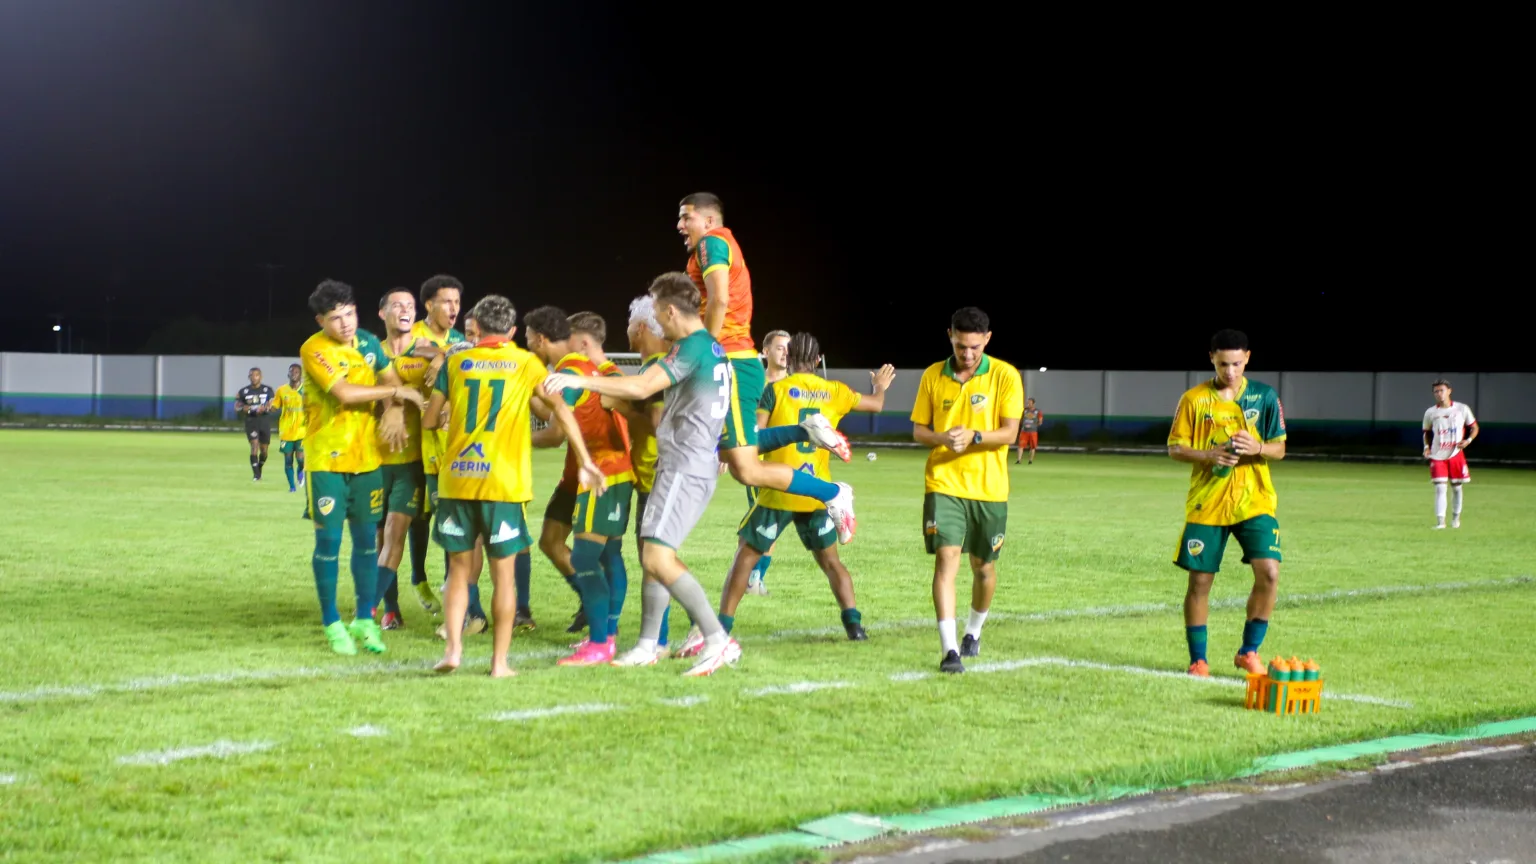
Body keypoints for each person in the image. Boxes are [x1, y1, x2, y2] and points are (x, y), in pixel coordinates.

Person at [423, 295, 604, 677]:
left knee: (458, 571)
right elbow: (557, 411)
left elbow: (429, 420)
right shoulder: (525, 362)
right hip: (502, 483)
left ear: (478, 328)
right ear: (511, 331)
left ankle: (453, 650)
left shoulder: (455, 361)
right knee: (502, 574)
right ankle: (499, 663)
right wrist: (586, 460)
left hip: (457, 479)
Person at [676, 192, 858, 540]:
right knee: (728, 451)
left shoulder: (712, 243)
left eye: (687, 217)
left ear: (709, 221)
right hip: (735, 360)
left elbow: (719, 300)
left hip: (729, 360)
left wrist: (705, 351)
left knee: (744, 468)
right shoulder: (719, 244)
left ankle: (832, 493)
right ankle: (805, 431)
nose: (680, 225)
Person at [713, 332, 895, 642]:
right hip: (817, 493)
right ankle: (854, 625)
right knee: (831, 562)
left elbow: (757, 433)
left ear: (789, 356)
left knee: (746, 556)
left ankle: (722, 627)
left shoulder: (775, 390)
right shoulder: (835, 391)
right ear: (818, 360)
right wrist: (880, 386)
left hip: (778, 488)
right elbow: (876, 405)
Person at [299, 279, 423, 655]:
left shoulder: (369, 342)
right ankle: (332, 622)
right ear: (321, 320)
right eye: (336, 318)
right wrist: (396, 395)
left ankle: (365, 620)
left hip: (369, 460)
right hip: (328, 462)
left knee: (367, 545)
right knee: (329, 543)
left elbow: (391, 378)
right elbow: (346, 394)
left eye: (350, 314)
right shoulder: (314, 349)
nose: (346, 324)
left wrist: (396, 413)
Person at [1167, 328, 1287, 678]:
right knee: (1200, 582)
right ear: (1211, 360)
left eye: (1236, 363)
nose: (1230, 372)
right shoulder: (1193, 399)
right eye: (1223, 364)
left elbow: (1279, 448)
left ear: (1247, 358)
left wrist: (1258, 448)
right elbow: (1175, 447)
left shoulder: (1265, 396)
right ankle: (1198, 660)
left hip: (1255, 500)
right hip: (1208, 503)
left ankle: (1248, 652)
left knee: (1269, 572)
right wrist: (1210, 455)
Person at [910, 307, 1023, 674]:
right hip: (943, 483)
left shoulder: (1005, 376)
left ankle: (973, 632)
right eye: (961, 346)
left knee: (984, 568)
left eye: (975, 347)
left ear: (987, 339)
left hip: (989, 489)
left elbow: (1010, 433)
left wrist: (974, 436)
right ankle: (949, 650)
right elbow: (919, 431)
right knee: (947, 558)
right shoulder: (932, 376)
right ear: (950, 336)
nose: (968, 354)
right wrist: (942, 437)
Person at [523, 307, 636, 666]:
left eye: (528, 339)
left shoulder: (574, 372)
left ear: (541, 340)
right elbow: (557, 413)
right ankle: (599, 622)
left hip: (603, 473)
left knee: (593, 556)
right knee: (553, 541)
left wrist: (516, 438)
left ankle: (603, 638)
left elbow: (557, 430)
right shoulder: (591, 372)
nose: (526, 345)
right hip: (579, 474)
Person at [373, 289, 435, 630]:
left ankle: (370, 609)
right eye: (397, 305)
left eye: (410, 306)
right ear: (382, 313)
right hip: (373, 461)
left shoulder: (426, 353)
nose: (405, 310)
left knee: (396, 533)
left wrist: (440, 358)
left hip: (412, 463)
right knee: (379, 537)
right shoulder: (369, 354)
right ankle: (390, 608)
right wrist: (390, 401)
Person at [406, 275, 466, 617]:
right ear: (429, 305)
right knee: (418, 516)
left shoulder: (459, 339)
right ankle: (417, 578)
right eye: (447, 301)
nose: (453, 308)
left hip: (449, 441)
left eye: (457, 302)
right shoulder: (413, 332)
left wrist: (446, 354)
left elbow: (466, 353)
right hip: (413, 441)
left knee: (447, 516)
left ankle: (449, 584)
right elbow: (411, 349)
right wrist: (444, 354)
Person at [746, 329, 792, 596]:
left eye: (788, 348)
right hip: (758, 462)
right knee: (768, 520)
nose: (785, 352)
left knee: (774, 521)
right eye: (779, 347)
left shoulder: (795, 384)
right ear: (765, 352)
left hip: (789, 462)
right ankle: (754, 577)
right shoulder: (755, 384)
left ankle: (754, 575)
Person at [1423, 378, 1477, 529]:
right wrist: (1426, 447)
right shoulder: (1431, 412)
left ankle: (1455, 519)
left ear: (1449, 391)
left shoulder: (1462, 409)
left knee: (1456, 487)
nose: (1439, 394)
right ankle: (1441, 522)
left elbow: (1474, 427)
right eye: (1436, 391)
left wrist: (1468, 440)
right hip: (1437, 454)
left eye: (1442, 390)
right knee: (1440, 487)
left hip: (1456, 454)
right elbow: (1426, 432)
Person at [235, 368, 276, 481]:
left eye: (256, 375)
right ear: (249, 377)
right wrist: (246, 409)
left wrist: (266, 408)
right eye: (252, 375)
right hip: (251, 421)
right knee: (254, 445)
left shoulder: (268, 390)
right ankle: (256, 475)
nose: (254, 377)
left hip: (264, 421)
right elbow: (237, 407)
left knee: (264, 451)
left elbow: (273, 405)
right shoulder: (243, 392)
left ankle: (259, 467)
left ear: (260, 377)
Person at [272, 364, 307, 492]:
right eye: (291, 372)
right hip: (286, 431)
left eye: (297, 372)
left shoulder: (306, 390)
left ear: (301, 375)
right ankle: (292, 487)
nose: (294, 374)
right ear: (288, 374)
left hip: (302, 431)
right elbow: (275, 406)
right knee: (288, 460)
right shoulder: (281, 390)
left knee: (300, 459)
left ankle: (301, 472)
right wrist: (268, 406)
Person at [1015, 398, 1043, 464]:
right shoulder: (1024, 410)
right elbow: (1020, 419)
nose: (1028, 404)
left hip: (1033, 432)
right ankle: (1019, 460)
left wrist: (1034, 425)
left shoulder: (1038, 411)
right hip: (1024, 431)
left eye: (1030, 403)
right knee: (1020, 446)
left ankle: (1030, 460)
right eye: (1028, 403)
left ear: (1033, 403)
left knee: (1032, 447)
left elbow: (1040, 421)